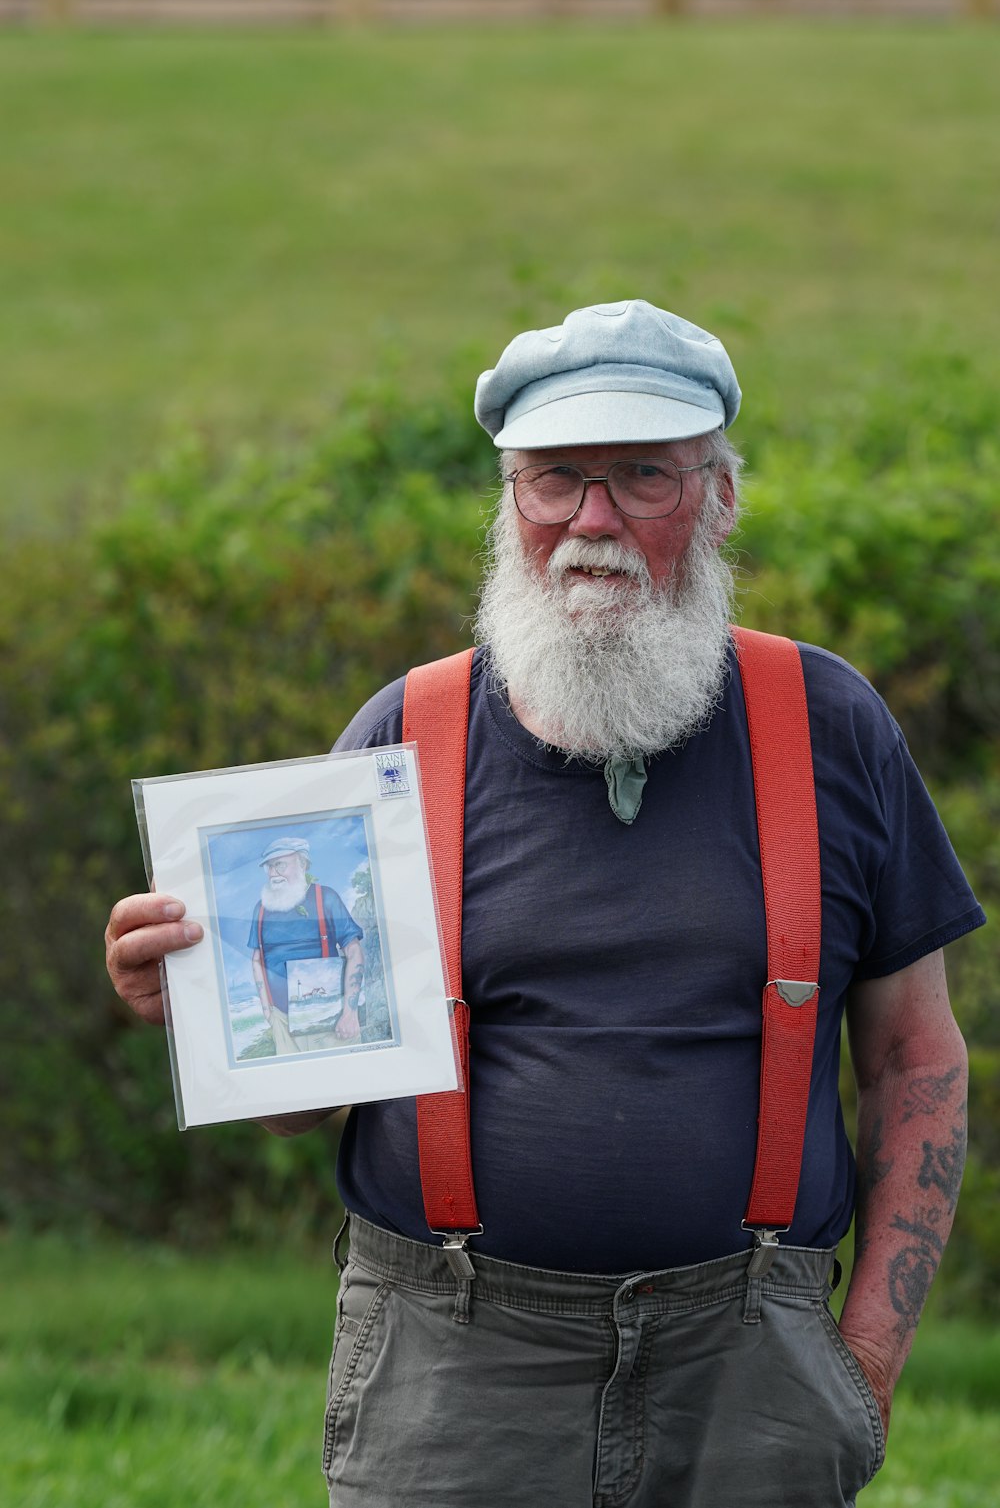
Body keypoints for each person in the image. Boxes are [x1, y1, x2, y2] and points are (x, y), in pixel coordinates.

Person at [106, 299, 984, 1508]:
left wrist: (866, 1362)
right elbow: (297, 1112)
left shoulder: (831, 726)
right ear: (506, 504)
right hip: (454, 1374)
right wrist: (202, 998)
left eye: (643, 479)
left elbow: (914, 1054)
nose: (593, 524)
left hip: (750, 1378)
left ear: (720, 497)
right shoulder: (399, 741)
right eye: (555, 481)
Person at [249, 837, 365, 1052]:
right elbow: (256, 959)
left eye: (280, 864)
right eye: (269, 866)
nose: (273, 873)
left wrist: (350, 1013)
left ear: (302, 863)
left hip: (331, 1020)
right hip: (282, 1022)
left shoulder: (326, 898)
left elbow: (354, 950)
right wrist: (268, 1011)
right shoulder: (261, 908)